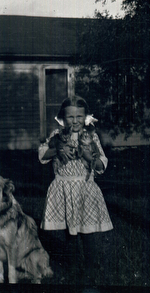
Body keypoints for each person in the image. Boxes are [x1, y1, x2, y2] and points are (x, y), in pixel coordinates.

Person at [38, 95, 112, 282]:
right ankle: (72, 268)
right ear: (63, 118)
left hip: (85, 189)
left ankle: (90, 270)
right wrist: (57, 151)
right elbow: (42, 155)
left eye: (79, 116)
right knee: (70, 234)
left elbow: (102, 164)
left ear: (85, 117)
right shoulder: (57, 136)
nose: (75, 121)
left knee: (88, 233)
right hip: (63, 187)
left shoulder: (91, 136)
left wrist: (89, 157)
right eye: (70, 117)